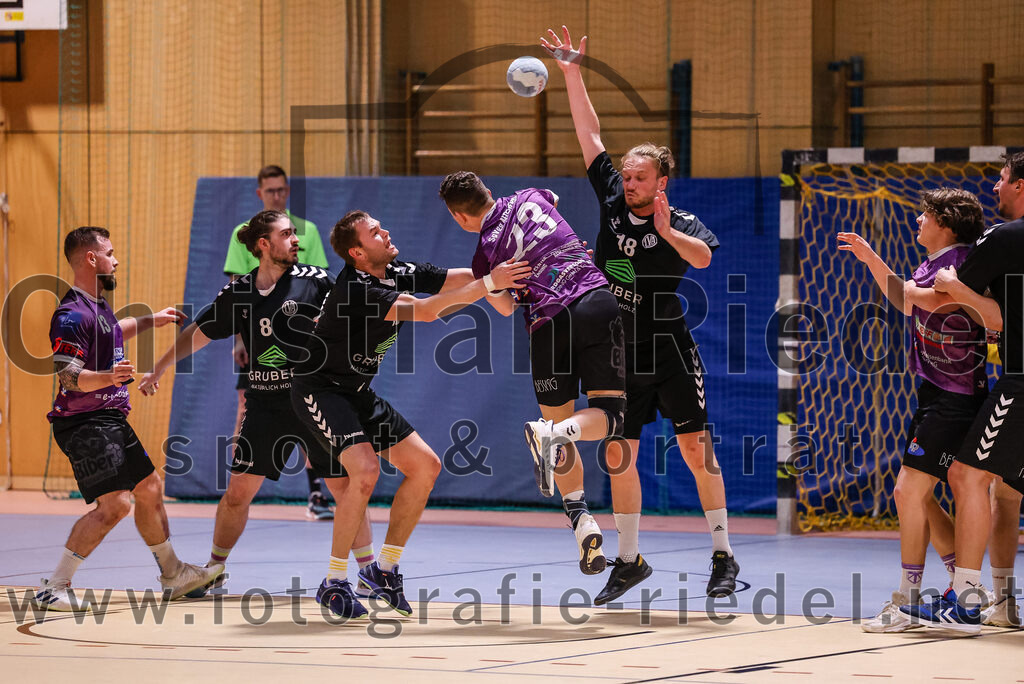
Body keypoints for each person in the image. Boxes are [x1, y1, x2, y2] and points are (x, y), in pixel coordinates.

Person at [542, 26, 738, 601]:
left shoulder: (681, 223)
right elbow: (590, 134)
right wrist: (572, 73)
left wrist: (667, 232)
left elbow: (702, 259)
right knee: (617, 452)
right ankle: (629, 559)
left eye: (639, 178)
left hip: (668, 346)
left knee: (695, 449)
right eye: (625, 178)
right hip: (617, 350)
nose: (628, 185)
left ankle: (723, 554)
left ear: (661, 182)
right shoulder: (610, 198)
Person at [291, 210, 531, 619]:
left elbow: (455, 278)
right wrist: (491, 283)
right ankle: (333, 583)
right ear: (357, 252)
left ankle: (383, 571)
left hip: (356, 391)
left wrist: (507, 260)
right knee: (364, 472)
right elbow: (426, 311)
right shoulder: (358, 290)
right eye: (374, 232)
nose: (386, 232)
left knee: (425, 465)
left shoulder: (397, 269)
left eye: (382, 226)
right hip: (319, 388)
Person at [140, 210, 375, 596]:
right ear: (264, 245)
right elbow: (199, 332)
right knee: (237, 494)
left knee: (345, 488)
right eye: (286, 234)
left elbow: (351, 321)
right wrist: (160, 367)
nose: (296, 239)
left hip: (315, 400)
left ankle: (369, 573)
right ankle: (214, 571)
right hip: (266, 405)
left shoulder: (315, 281)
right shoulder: (241, 291)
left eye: (295, 233)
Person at [440, 170, 628, 587]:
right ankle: (556, 435)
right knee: (610, 415)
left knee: (555, 423)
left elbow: (506, 308)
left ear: (459, 217)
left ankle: (580, 518)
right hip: (592, 300)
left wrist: (495, 280)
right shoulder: (530, 195)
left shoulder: (484, 259)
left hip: (546, 326)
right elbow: (554, 200)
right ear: (488, 190)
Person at [35, 227, 223, 611]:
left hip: (109, 419)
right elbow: (68, 377)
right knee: (116, 504)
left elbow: (110, 332)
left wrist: (151, 320)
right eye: (110, 252)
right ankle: (54, 586)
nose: (116, 260)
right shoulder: (70, 315)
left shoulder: (97, 306)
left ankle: (174, 575)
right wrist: (109, 376)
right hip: (84, 422)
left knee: (150, 489)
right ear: (92, 259)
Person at [837, 188, 991, 633]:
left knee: (908, 492)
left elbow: (923, 299)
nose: (917, 222)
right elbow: (907, 299)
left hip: (957, 396)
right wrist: (870, 258)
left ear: (944, 221)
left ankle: (907, 598)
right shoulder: (932, 264)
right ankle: (956, 588)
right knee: (917, 495)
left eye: (923, 216)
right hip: (934, 393)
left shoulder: (961, 262)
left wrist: (897, 279)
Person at [900, 152, 1024, 633]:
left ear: (1019, 185)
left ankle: (967, 598)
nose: (996, 187)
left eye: (1002, 178)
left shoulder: (1002, 236)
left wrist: (929, 288)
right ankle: (1003, 601)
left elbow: (954, 295)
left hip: (1015, 379)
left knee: (968, 478)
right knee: (1007, 493)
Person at [223, 165, 333, 521]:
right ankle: (241, 479)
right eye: (270, 191)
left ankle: (317, 492)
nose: (277, 195)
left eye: (282, 190)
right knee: (248, 404)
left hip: (303, 344)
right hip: (260, 341)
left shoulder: (306, 232)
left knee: (308, 408)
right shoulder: (246, 234)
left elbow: (316, 287)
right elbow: (240, 291)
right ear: (260, 194)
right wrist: (239, 340)